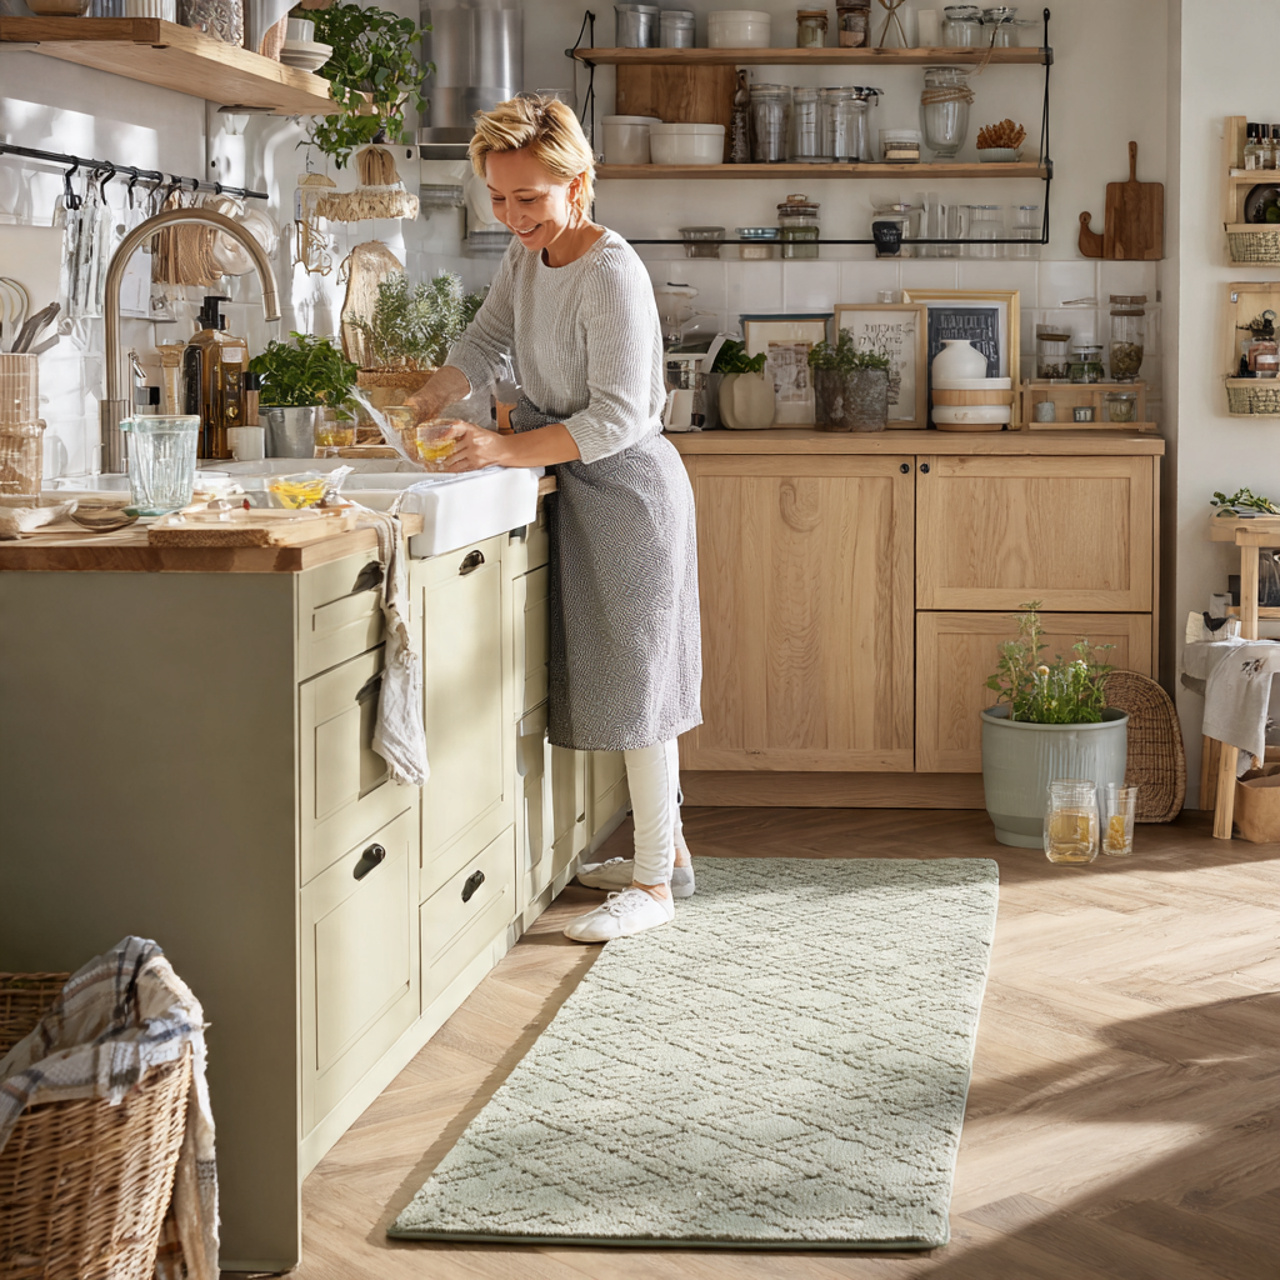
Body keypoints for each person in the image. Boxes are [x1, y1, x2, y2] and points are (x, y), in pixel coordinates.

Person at [406, 96, 702, 943]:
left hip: (630, 492)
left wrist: (503, 451)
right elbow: (486, 338)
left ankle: (653, 888)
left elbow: (620, 415)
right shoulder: (526, 258)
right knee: (621, 681)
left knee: (642, 688)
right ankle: (668, 852)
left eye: (529, 199)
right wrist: (434, 389)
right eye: (499, 198)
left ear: (579, 184)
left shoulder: (611, 273)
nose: (513, 216)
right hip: (578, 484)